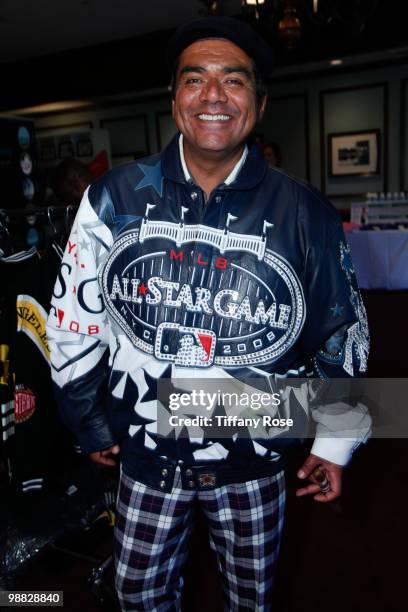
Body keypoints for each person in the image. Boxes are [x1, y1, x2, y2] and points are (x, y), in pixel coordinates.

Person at [46, 16, 371, 611]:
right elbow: (73, 319)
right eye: (195, 80)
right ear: (174, 99)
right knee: (137, 597)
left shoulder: (308, 214)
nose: (213, 96)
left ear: (260, 102)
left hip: (254, 460)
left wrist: (334, 442)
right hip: (145, 453)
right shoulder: (114, 196)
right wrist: (87, 417)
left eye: (234, 81)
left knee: (252, 599)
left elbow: (342, 335)